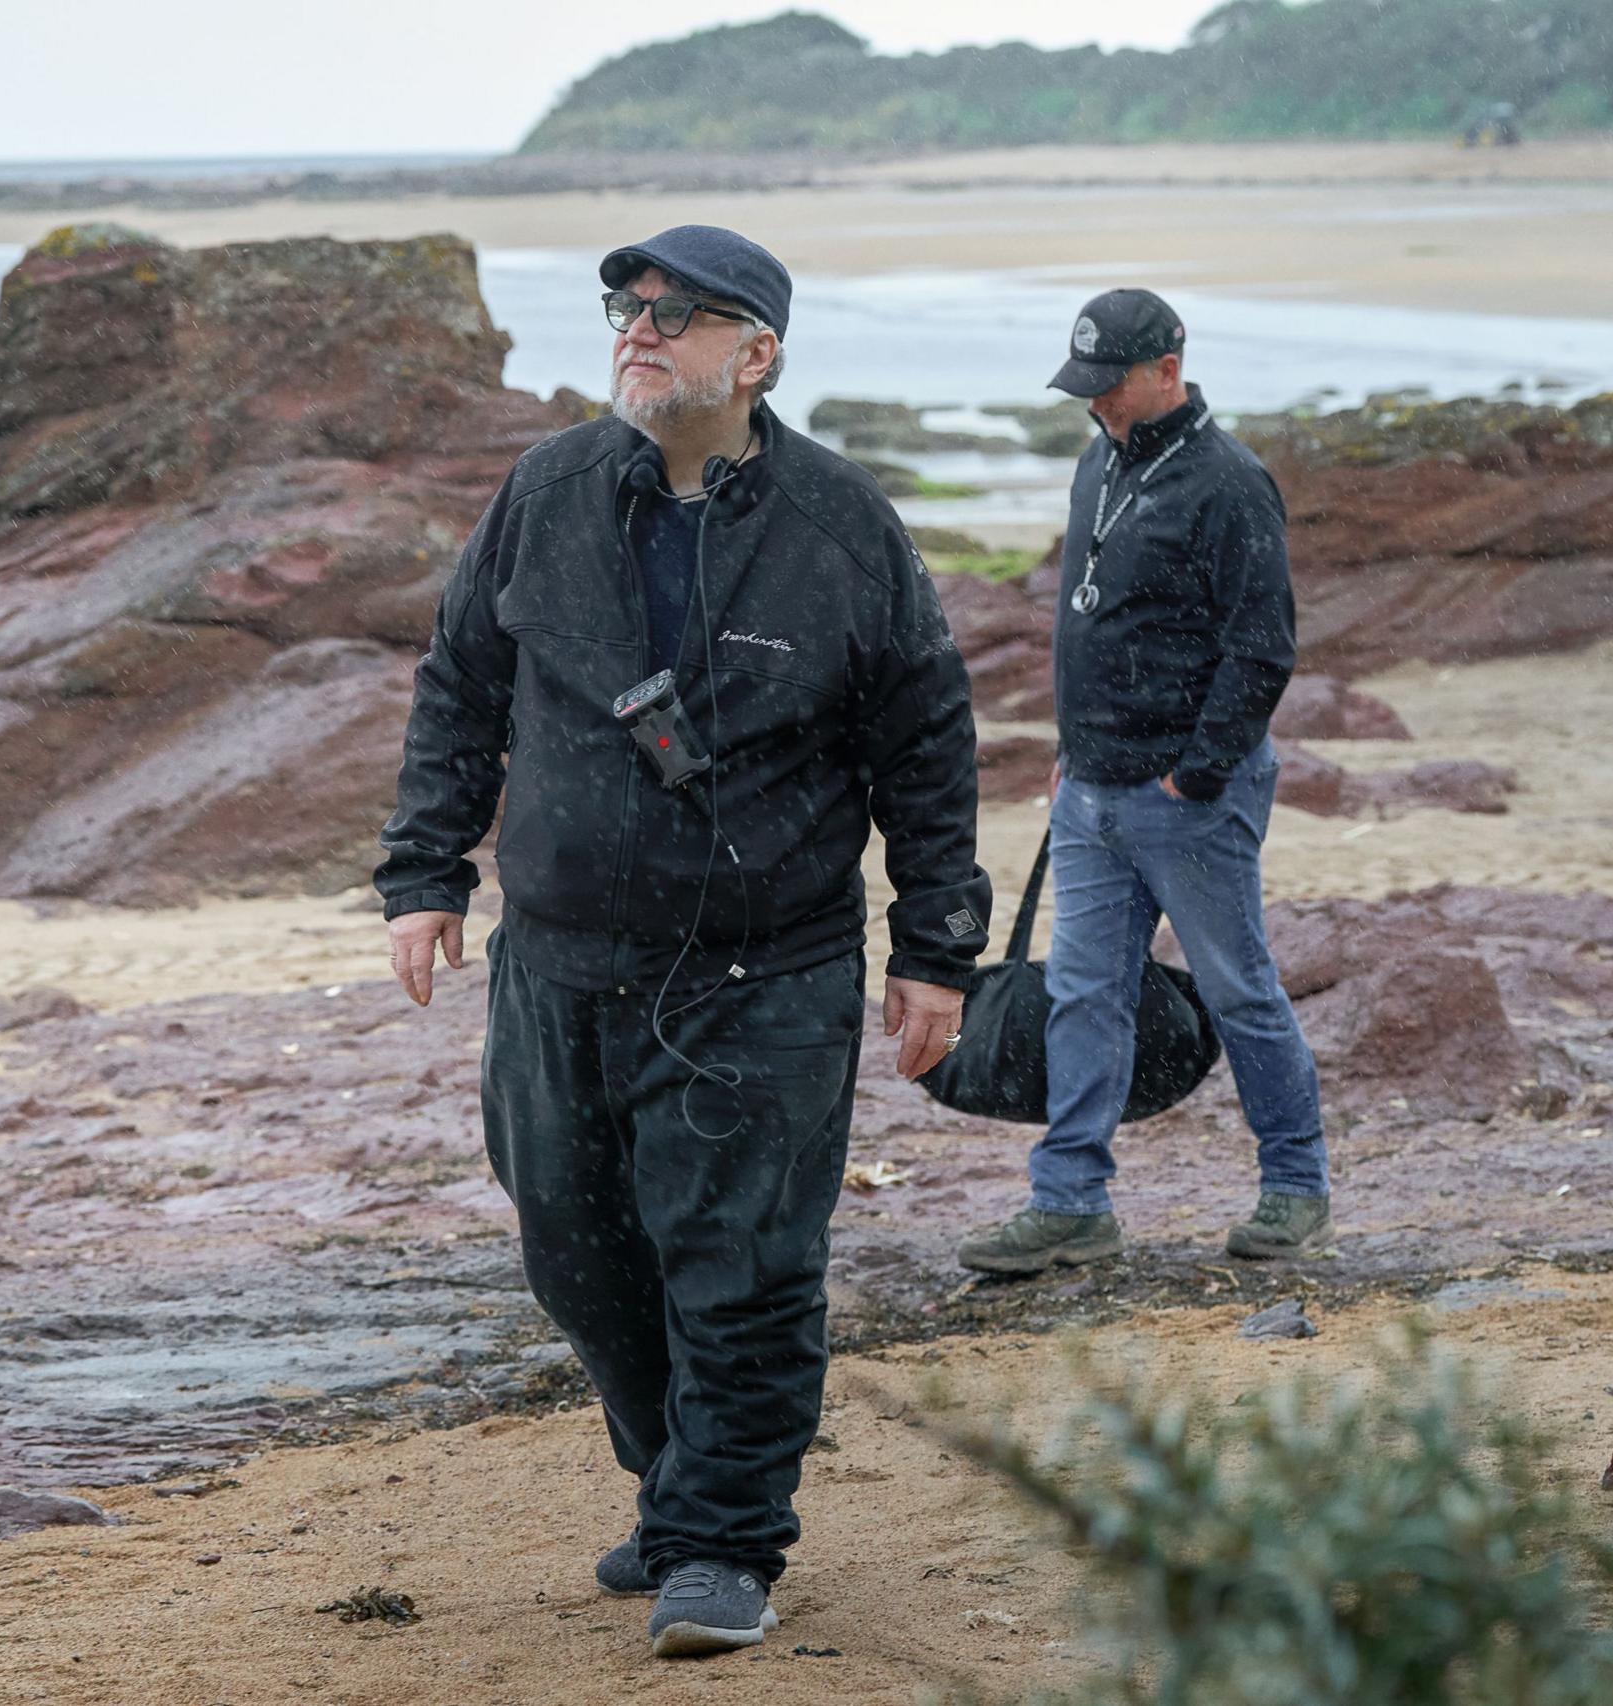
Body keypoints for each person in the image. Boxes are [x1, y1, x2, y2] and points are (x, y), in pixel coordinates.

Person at [375, 225, 989, 1659]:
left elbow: (927, 743)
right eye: (624, 306)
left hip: (760, 964)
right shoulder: (546, 492)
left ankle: (722, 1539)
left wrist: (937, 947)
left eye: (678, 313)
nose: (637, 328)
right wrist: (424, 872)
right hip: (560, 958)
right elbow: (462, 681)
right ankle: (674, 1483)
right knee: (576, 1253)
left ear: (756, 353)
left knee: (742, 1257)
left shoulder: (844, 528)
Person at [957, 288, 1330, 1277]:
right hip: (1089, 790)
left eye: (1109, 386)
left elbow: (1261, 649)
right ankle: (1069, 1202)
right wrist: (1074, 750)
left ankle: (1295, 1185)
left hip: (1186, 800)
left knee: (1238, 988)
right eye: (1083, 387)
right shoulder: (1098, 461)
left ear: (1168, 368)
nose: (1095, 405)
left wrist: (1193, 776)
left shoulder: (1230, 483)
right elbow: (1090, 618)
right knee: (1082, 991)